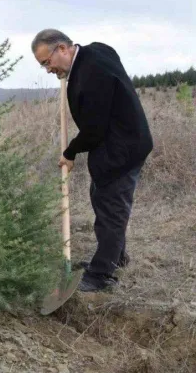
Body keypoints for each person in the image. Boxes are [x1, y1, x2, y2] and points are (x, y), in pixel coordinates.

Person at [32, 29, 153, 292]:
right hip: (120, 141)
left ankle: (101, 274)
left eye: (47, 62)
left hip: (121, 147)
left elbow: (94, 130)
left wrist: (70, 152)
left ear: (62, 48)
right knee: (101, 197)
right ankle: (117, 257)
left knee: (111, 209)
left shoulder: (91, 74)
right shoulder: (96, 50)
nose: (48, 69)